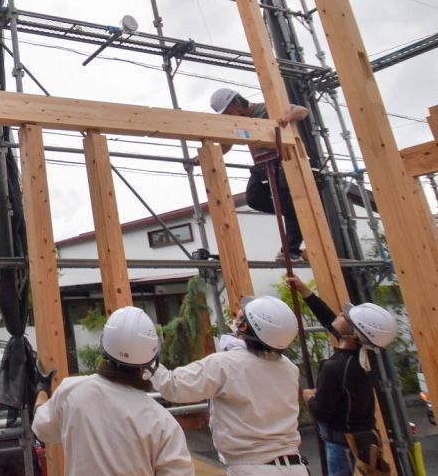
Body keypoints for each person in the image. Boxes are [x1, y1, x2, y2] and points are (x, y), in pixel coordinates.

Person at [149, 295, 309, 474]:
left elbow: (173, 386)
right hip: (296, 468)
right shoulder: (289, 368)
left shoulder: (226, 364)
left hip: (252, 469)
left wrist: (146, 358)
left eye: (241, 317)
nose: (235, 318)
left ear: (244, 326)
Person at [32, 305, 192, 476]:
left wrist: (42, 390)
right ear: (151, 358)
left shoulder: (72, 392)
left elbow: (42, 428)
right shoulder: (162, 422)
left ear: (104, 347)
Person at [287, 274, 397, 476]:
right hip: (364, 440)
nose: (339, 314)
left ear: (354, 334)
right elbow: (330, 320)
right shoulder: (364, 356)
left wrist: (309, 396)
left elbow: (321, 412)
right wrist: (305, 291)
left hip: (342, 446)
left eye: (345, 317)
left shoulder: (336, 366)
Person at [209, 88, 309, 263]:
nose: (230, 117)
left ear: (237, 103)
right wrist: (209, 155)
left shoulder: (266, 109)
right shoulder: (238, 122)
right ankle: (295, 214)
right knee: (254, 198)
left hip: (283, 160)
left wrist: (286, 118)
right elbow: (226, 144)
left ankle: (291, 251)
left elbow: (302, 111)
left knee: (287, 200)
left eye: (230, 112)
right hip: (262, 164)